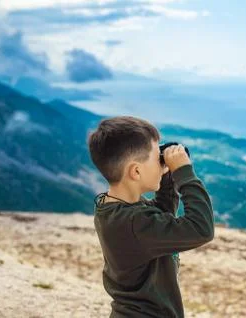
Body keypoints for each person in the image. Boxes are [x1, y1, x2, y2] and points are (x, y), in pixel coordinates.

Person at [87, 115, 215, 317]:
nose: (161, 161)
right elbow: (201, 228)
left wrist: (167, 176)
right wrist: (184, 173)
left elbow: (160, 215)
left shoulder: (114, 208)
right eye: (156, 157)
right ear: (136, 171)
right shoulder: (133, 222)